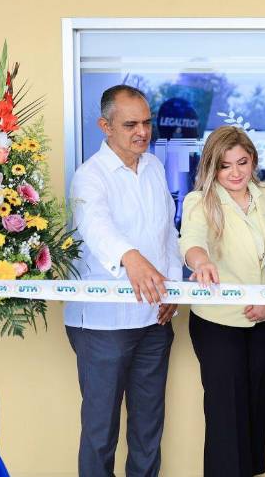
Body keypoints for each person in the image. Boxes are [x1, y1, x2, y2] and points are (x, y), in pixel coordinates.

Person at [65, 84, 181, 477]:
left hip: (154, 321)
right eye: (131, 124)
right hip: (103, 325)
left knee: (149, 430)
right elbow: (95, 226)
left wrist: (174, 289)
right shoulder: (89, 176)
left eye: (146, 122)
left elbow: (168, 235)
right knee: (101, 433)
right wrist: (130, 257)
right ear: (105, 126)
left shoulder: (154, 168)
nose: (142, 131)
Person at [179, 125, 265, 476]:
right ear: (212, 167)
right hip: (218, 323)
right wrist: (201, 262)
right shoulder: (200, 201)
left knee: (255, 411)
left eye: (242, 162)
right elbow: (192, 240)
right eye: (224, 166)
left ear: (253, 160)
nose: (235, 173)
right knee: (226, 418)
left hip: (264, 321)